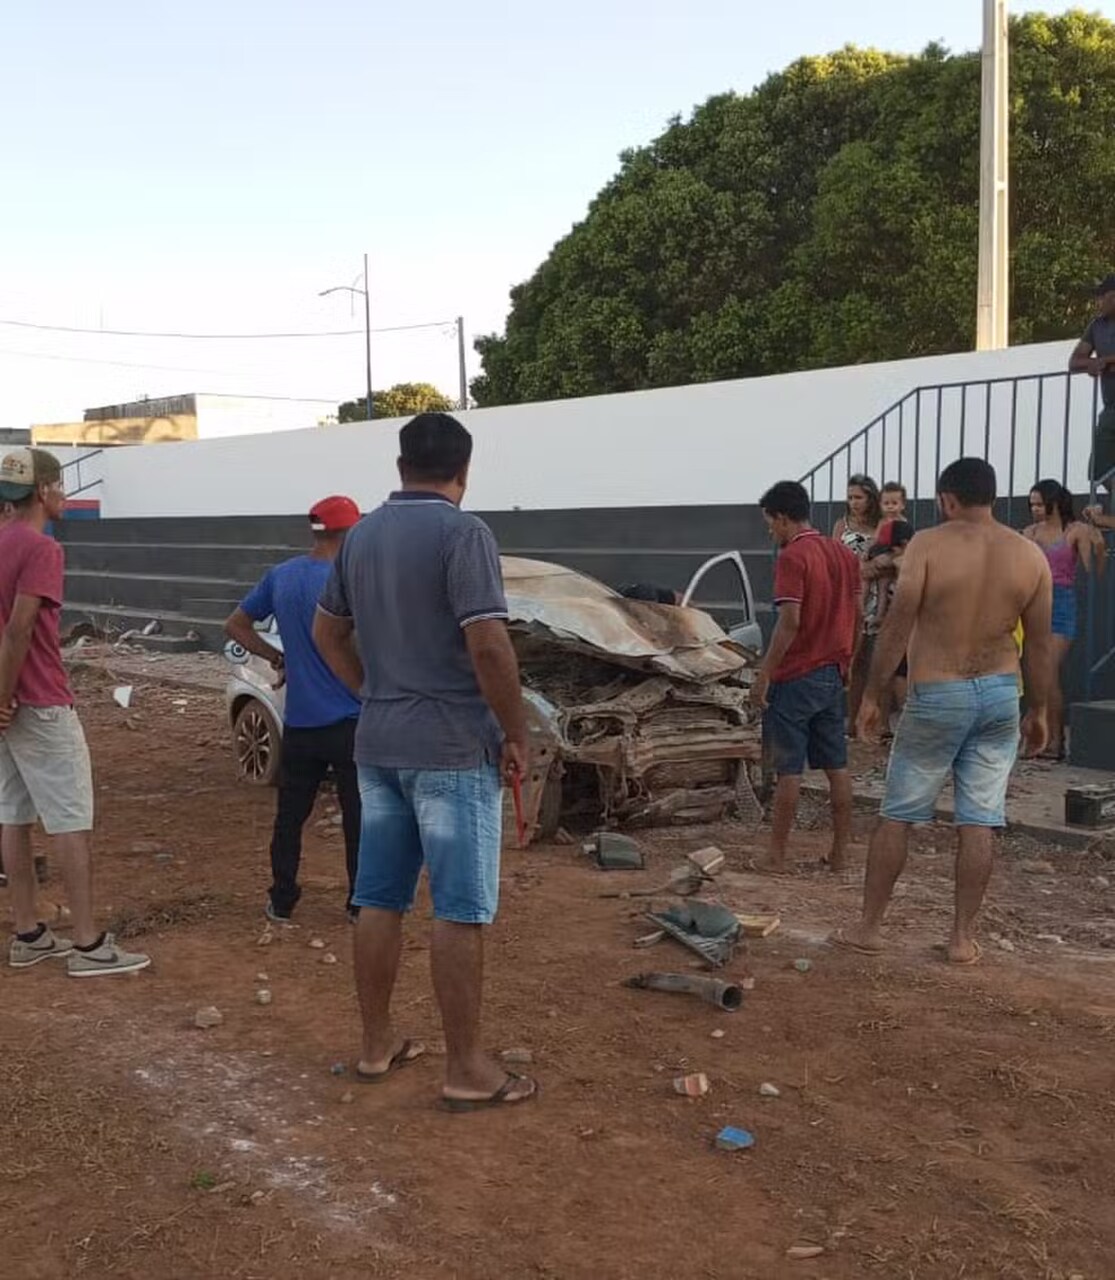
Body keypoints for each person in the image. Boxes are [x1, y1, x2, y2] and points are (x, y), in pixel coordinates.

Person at [313, 412, 537, 1111]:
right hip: (448, 749)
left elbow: (326, 633)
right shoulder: (463, 534)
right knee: (459, 908)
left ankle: (376, 1045)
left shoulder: (362, 537)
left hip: (377, 745)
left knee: (378, 898)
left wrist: (370, 691)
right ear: (462, 472)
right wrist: (516, 732)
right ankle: (466, 1067)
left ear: (402, 462)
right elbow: (490, 647)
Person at [835, 458, 1052, 966]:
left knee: (898, 815)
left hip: (939, 691)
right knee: (979, 819)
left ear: (947, 499)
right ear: (994, 498)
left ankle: (868, 928)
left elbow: (897, 621)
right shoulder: (1030, 556)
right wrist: (1038, 709)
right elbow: (1039, 647)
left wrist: (872, 694)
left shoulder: (929, 544)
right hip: (1001, 691)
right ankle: (961, 939)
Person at [0, 448, 149, 976]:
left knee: (13, 815)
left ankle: (28, 932)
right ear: (42, 490)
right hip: (37, 699)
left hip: (9, 703)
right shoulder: (41, 548)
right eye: (58, 485)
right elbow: (20, 628)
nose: (64, 495)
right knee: (69, 818)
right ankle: (87, 944)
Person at [225, 496, 364, 923]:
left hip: (300, 721)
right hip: (351, 719)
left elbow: (236, 624)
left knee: (290, 817)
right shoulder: (353, 580)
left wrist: (276, 657)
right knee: (359, 816)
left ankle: (282, 898)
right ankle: (360, 903)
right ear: (350, 532)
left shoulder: (282, 576)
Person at [751, 481, 862, 873]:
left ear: (782, 518)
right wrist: (848, 663)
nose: (770, 532)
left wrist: (765, 673)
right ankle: (841, 854)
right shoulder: (843, 554)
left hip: (797, 673)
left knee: (789, 770)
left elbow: (790, 620)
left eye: (770, 524)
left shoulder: (793, 557)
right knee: (837, 766)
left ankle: (777, 855)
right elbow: (859, 616)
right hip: (833, 672)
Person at [1023, 480, 1103, 759]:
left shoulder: (1074, 531)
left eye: (1039, 503)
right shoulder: (1030, 533)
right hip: (1035, 603)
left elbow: (1092, 568)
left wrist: (1098, 544)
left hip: (1063, 603)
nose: (1035, 509)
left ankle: (1054, 739)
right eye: (1031, 504)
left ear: (1054, 503)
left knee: (1047, 669)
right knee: (1040, 674)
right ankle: (1046, 737)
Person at [832, 474, 883, 732]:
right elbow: (832, 556)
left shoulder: (882, 525)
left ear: (870, 498)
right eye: (850, 497)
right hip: (846, 594)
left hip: (876, 593)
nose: (854, 502)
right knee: (849, 658)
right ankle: (850, 720)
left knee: (871, 662)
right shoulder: (842, 525)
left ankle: (871, 721)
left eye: (859, 497)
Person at [1069, 274, 1115, 494]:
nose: (1097, 302)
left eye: (1101, 296)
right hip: (1111, 409)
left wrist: (1103, 361)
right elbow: (1074, 362)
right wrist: (1098, 363)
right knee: (1097, 469)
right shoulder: (1097, 325)